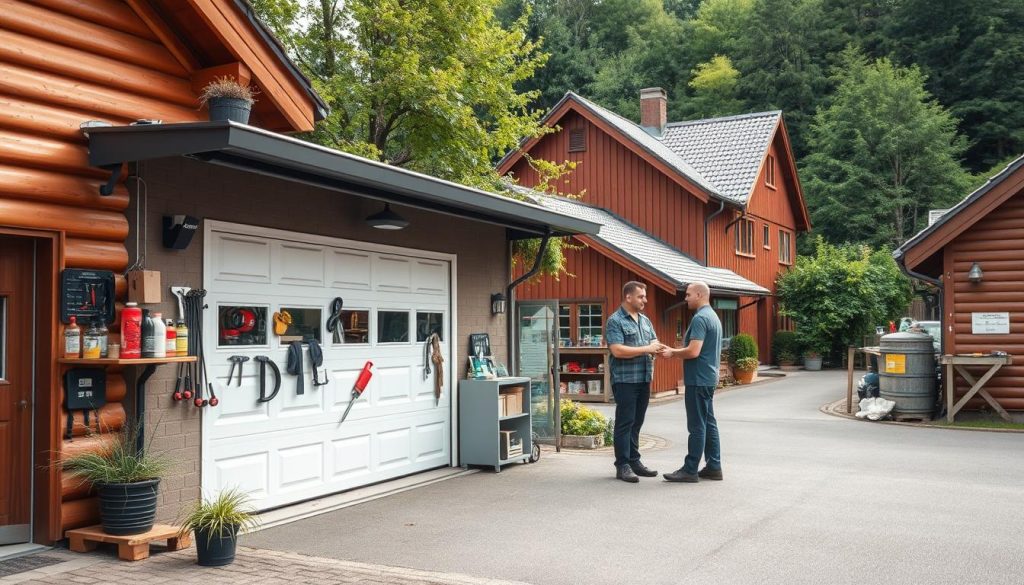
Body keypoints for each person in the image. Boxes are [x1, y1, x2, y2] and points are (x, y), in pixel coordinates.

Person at [659, 281, 723, 483]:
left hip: (698, 379)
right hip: (708, 377)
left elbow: (694, 351)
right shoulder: (713, 317)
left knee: (697, 425)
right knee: (708, 422)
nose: (685, 298)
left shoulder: (700, 318)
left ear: (699, 294)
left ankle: (690, 469)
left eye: (688, 295)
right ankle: (714, 466)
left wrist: (672, 352)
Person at [605, 281, 667, 483]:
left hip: (643, 378)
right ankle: (622, 465)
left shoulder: (645, 321)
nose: (645, 300)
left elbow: (653, 343)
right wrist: (646, 349)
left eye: (645, 296)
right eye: (641, 296)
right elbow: (617, 350)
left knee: (637, 422)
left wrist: (656, 349)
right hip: (625, 381)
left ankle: (634, 460)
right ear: (628, 297)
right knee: (625, 423)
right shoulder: (615, 321)